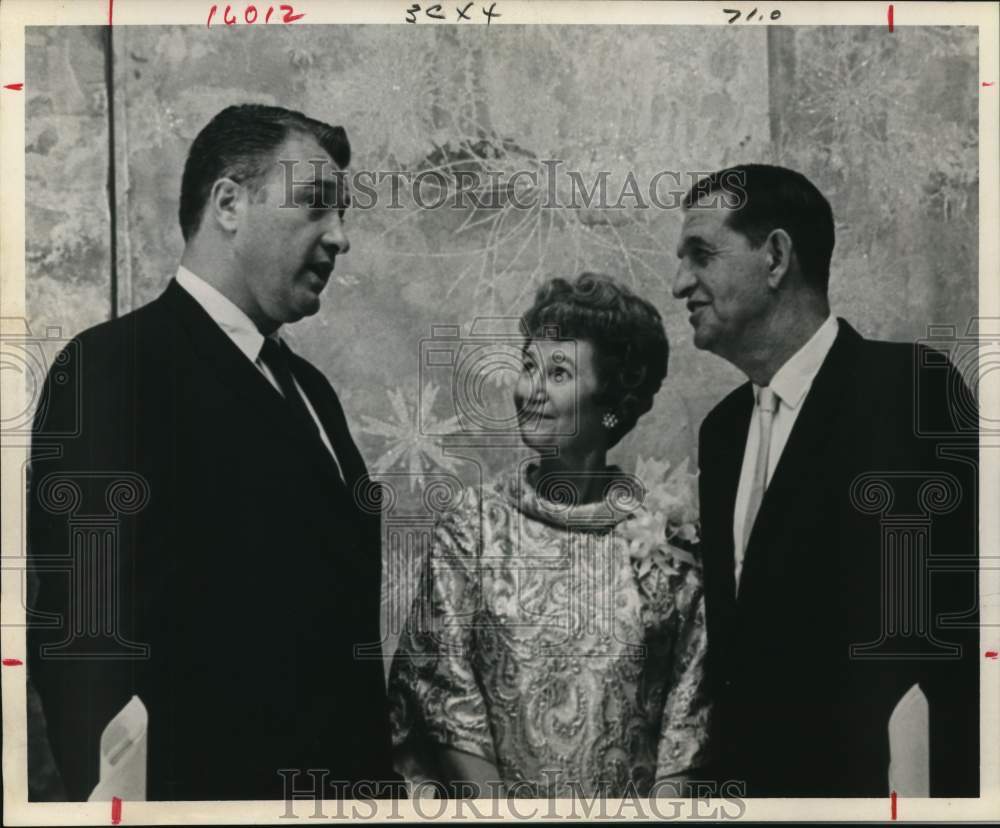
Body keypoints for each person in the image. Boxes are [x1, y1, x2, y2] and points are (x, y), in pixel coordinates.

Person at [27, 104, 395, 800]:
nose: (340, 237)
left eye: (342, 213)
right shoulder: (113, 368)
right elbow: (83, 647)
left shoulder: (312, 391)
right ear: (228, 202)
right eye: (315, 206)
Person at [673, 163, 979, 797]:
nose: (681, 284)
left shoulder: (907, 391)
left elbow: (949, 642)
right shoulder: (722, 433)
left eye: (701, 254)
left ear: (777, 256)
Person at [388, 273, 710, 797]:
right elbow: (443, 703)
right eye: (528, 366)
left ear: (610, 398)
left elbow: (687, 727)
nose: (528, 390)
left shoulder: (670, 544)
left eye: (557, 372)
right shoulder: (473, 528)